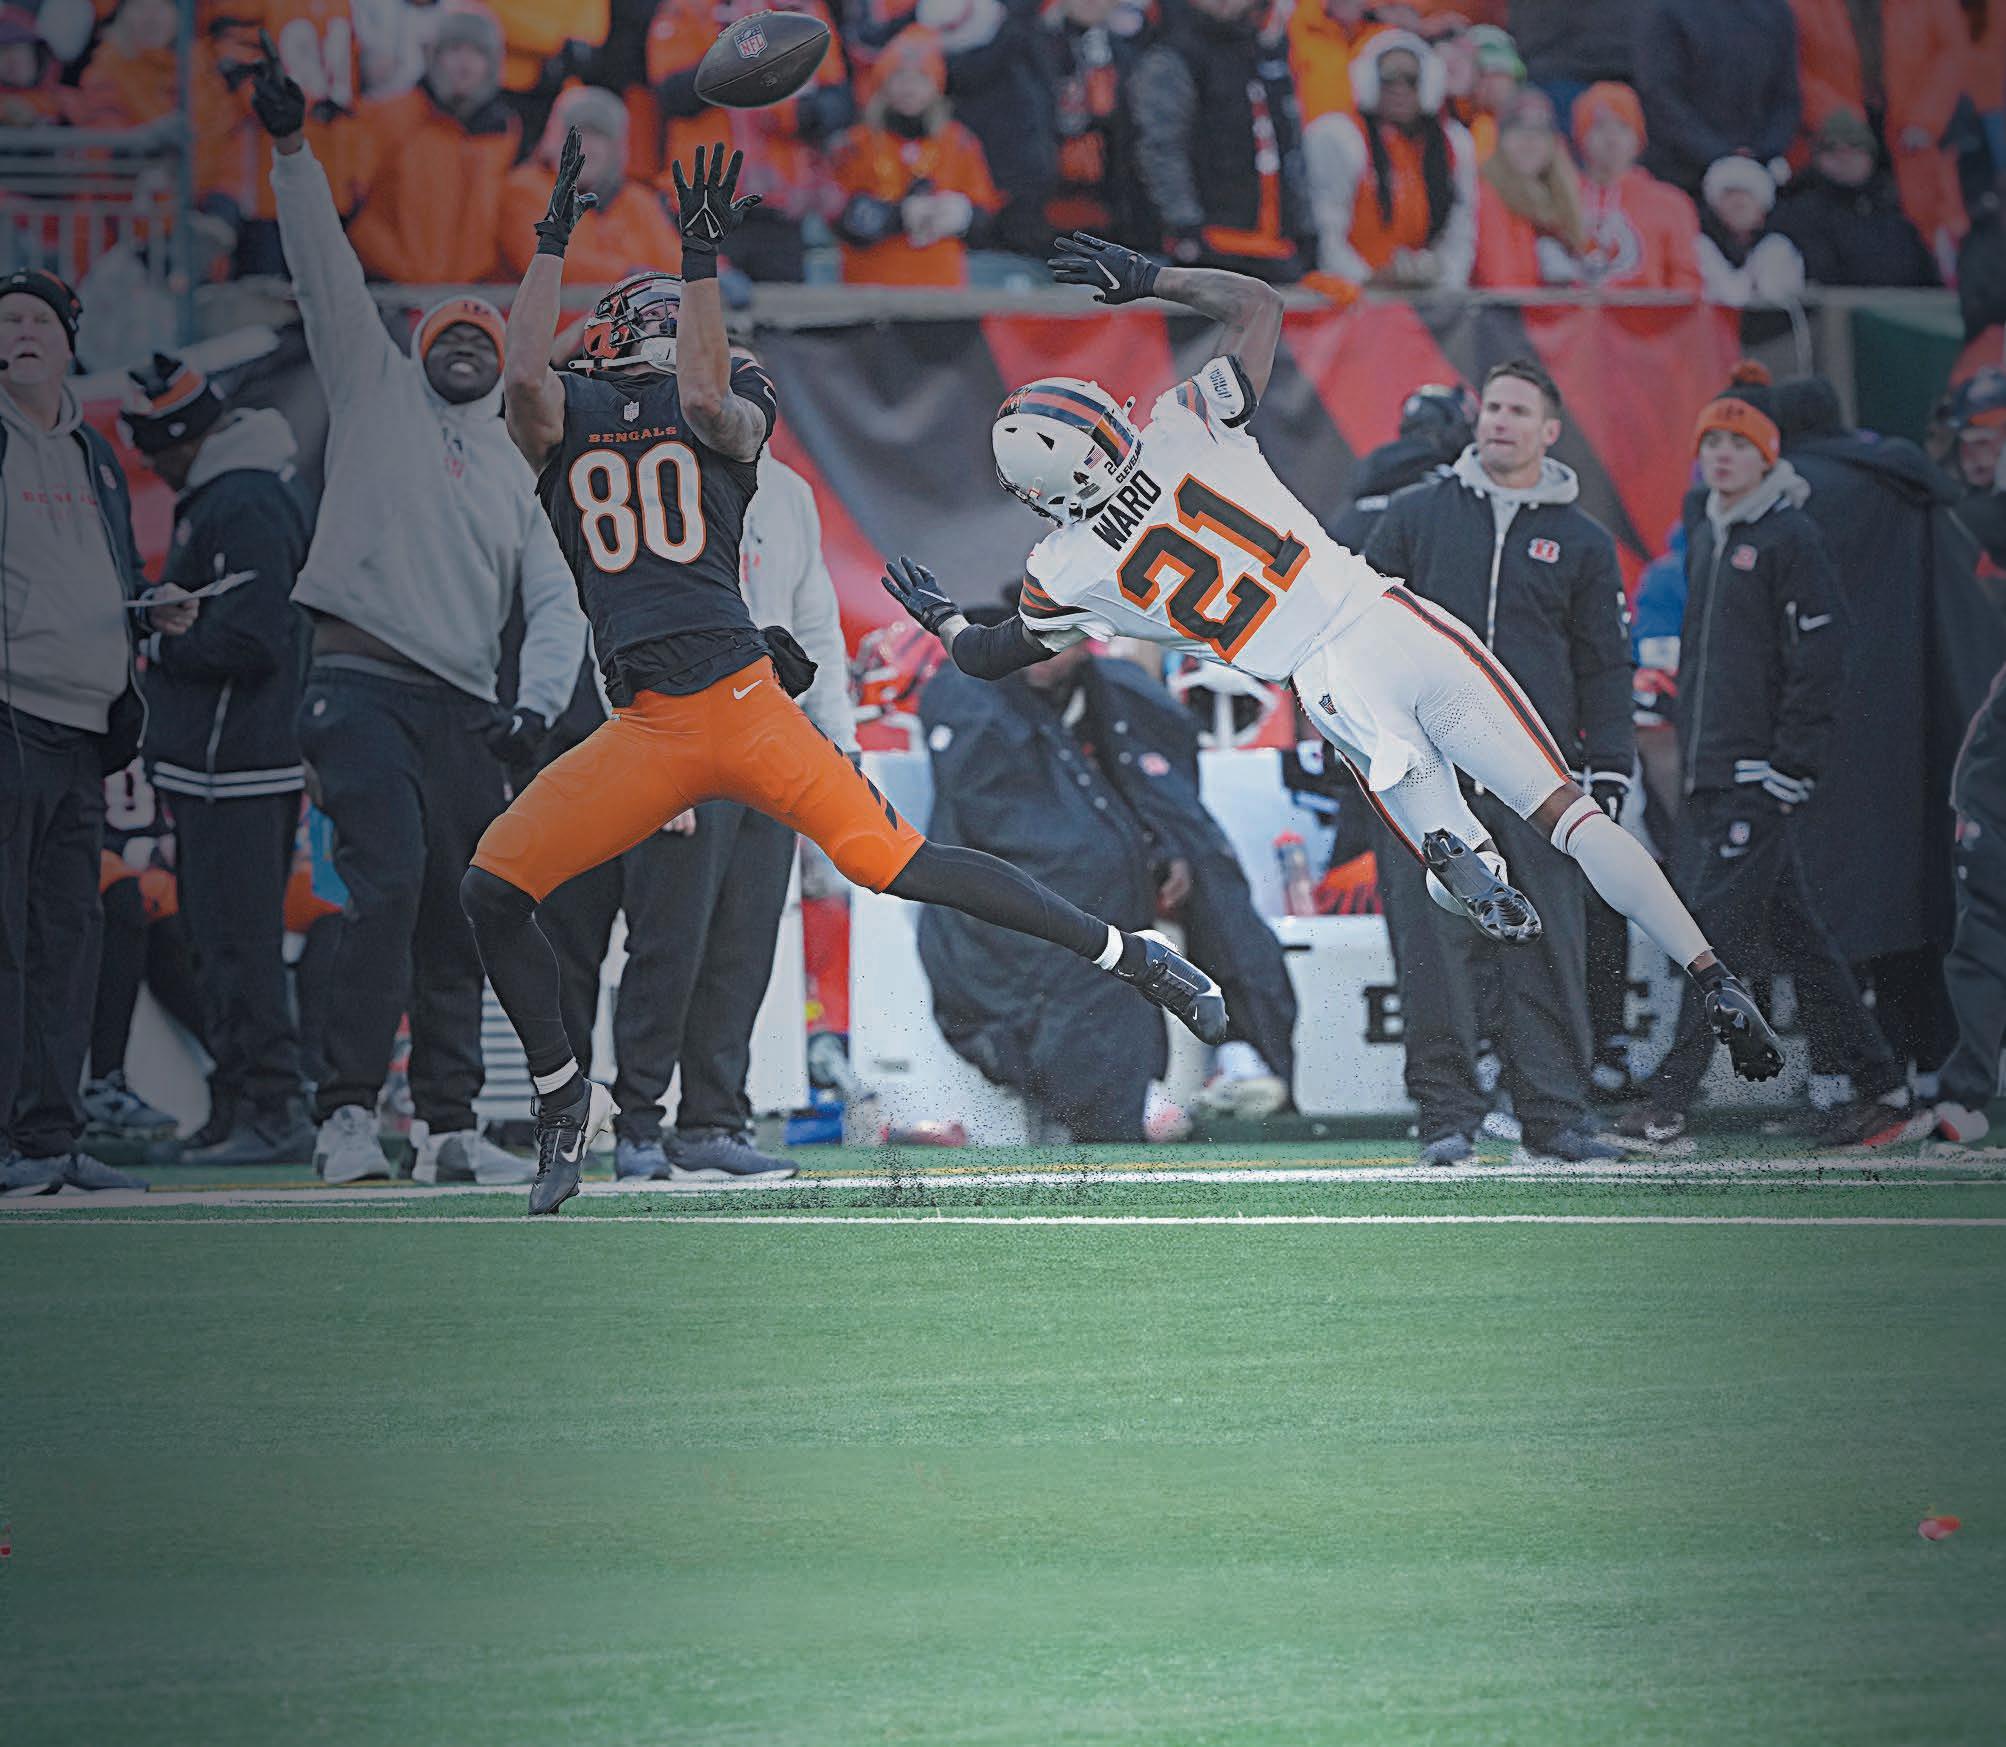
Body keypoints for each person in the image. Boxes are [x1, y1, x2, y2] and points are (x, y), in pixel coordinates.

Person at [465, 136, 1230, 1215]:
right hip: (643, 725)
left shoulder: (723, 401)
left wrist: (696, 261)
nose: (669, 332)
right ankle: (560, 1096)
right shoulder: (566, 417)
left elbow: (705, 394)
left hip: (742, 701)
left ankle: (1131, 956)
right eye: (653, 318)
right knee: (491, 890)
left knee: (899, 863)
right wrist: (549, 246)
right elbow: (519, 378)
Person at [882, 233, 1784, 1098]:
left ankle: (1461, 863)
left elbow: (985, 654)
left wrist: (941, 616)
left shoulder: (1067, 570)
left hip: (1327, 689)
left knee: (1445, 850)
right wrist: (1151, 277)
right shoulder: (1184, 425)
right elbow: (1258, 304)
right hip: (1387, 622)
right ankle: (1711, 972)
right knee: (1570, 816)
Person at [251, 45, 589, 1187]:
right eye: (448, 333)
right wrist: (293, 152)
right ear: (414, 347)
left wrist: (535, 708)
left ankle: (447, 1124)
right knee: (387, 885)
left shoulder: (518, 460)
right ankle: (348, 1115)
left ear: (502, 367)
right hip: (356, 684)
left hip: (466, 710)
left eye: (485, 340)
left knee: (461, 910)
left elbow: (556, 596)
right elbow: (324, 275)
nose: (466, 345)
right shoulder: (369, 389)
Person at [537, 398, 860, 1186]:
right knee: (667, 945)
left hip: (772, 739)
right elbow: (611, 615)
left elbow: (816, 622)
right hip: (681, 733)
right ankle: (640, 1123)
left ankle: (713, 1121)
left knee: (742, 945)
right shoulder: (656, 474)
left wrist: (840, 748)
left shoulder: (788, 492)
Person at [1614, 381, 1907, 1147]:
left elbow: (1823, 656)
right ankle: (1881, 1085)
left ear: (1768, 456)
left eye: (1739, 443)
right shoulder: (1710, 530)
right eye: (1713, 441)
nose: (1722, 454)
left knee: (1708, 939)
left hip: (1753, 780)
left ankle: (1669, 1099)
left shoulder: (1788, 535)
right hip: (1717, 775)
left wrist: (1788, 765)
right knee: (1799, 939)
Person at [1360, 360, 1634, 1166]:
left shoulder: (1584, 542)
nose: (1500, 422)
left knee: (1547, 950)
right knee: (1432, 954)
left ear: (1551, 431)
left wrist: (1610, 769)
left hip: (1536, 781)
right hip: (1423, 780)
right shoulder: (1414, 515)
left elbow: (1604, 666)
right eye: (1493, 409)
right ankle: (1446, 1120)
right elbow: (1355, 632)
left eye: (1519, 411)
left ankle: (1555, 1121)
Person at [917, 634, 1298, 1140]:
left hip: (1117, 885)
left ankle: (1240, 1052)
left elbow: (1157, 798)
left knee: (1205, 865)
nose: (1043, 656)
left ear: (1085, 645)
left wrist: (1162, 848)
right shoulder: (974, 696)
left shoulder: (1116, 695)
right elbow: (1012, 823)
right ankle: (1122, 1091)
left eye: (1056, 641)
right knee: (1090, 879)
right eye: (1032, 640)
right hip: (1015, 903)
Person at [0, 267, 196, 1195]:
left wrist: (146, 609)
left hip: (85, 728)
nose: (20, 331)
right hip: (10, 714)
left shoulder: (95, 453)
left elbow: (106, 572)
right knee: (9, 940)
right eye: (6, 319)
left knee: (67, 940)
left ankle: (48, 1135)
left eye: (38, 319)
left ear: (69, 340)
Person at [121, 351, 316, 1167]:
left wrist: (161, 642)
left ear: (181, 439)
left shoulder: (246, 499)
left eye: (155, 448)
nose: (154, 467)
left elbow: (254, 636)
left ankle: (274, 1106)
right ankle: (237, 1099)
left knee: (242, 945)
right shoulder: (230, 492)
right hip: (216, 764)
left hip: (240, 763)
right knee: (218, 943)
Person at [1130, 0, 1313, 280]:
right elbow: (1161, 149)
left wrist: (1306, 228)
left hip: (1275, 248)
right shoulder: (1173, 55)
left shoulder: (1265, 54)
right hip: (1208, 247)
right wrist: (1184, 225)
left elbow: (1291, 149)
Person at [345, 6, 520, 283]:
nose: (464, 64)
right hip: (390, 288)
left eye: (477, 53)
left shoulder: (504, 133)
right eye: (454, 50)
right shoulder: (388, 116)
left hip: (468, 292)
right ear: (434, 57)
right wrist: (385, 260)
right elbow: (348, 201)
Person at [827, 26, 1004, 288]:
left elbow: (986, 217)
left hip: (940, 286)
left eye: (920, 78)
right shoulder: (855, 144)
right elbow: (837, 216)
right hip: (871, 284)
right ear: (883, 84)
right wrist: (898, 215)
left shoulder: (959, 142)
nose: (909, 89)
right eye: (899, 77)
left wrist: (961, 214)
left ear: (936, 85)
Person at [1305, 30, 1477, 290]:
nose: (1399, 89)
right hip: (1352, 291)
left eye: (1411, 80)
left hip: (1426, 295)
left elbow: (1460, 230)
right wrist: (1365, 281)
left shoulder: (1454, 144)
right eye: (1388, 78)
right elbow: (1326, 232)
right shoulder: (1340, 137)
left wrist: (1444, 283)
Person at [1931, 661, 2006, 1149]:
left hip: (1985, 813)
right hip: (1993, 819)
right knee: (1983, 952)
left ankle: (1964, 1094)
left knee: (1983, 953)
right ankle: (1963, 1094)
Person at [1630, 0, 1800, 198]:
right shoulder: (1667, 10)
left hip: (1757, 178)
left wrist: (1762, 151)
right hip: (1682, 177)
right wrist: (1720, 153)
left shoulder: (1775, 11)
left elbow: (1787, 95)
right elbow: (1660, 95)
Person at [1553, 80, 1701, 292]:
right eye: (1599, 127)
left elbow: (1687, 280)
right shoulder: (1559, 197)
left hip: (1646, 312)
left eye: (1622, 127)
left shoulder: (1671, 203)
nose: (1611, 139)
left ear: (1638, 138)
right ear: (1581, 137)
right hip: (1574, 311)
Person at [1773, 107, 1939, 288]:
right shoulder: (1795, 214)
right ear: (1816, 157)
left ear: (1871, 157)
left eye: (1855, 147)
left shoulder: (1896, 215)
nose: (1844, 157)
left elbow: (1927, 280)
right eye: (1832, 149)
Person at [1469, 84, 1585, 286]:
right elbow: (1499, 280)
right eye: (1518, 130)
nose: (1529, 141)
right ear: (1500, 140)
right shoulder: (1487, 195)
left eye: (1540, 132)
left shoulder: (1562, 199)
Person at [1695, 155, 1806, 307]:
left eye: (1747, 196)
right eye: (1729, 195)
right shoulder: (1702, 248)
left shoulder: (1777, 248)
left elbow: (1775, 297)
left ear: (1762, 210)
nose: (1738, 202)